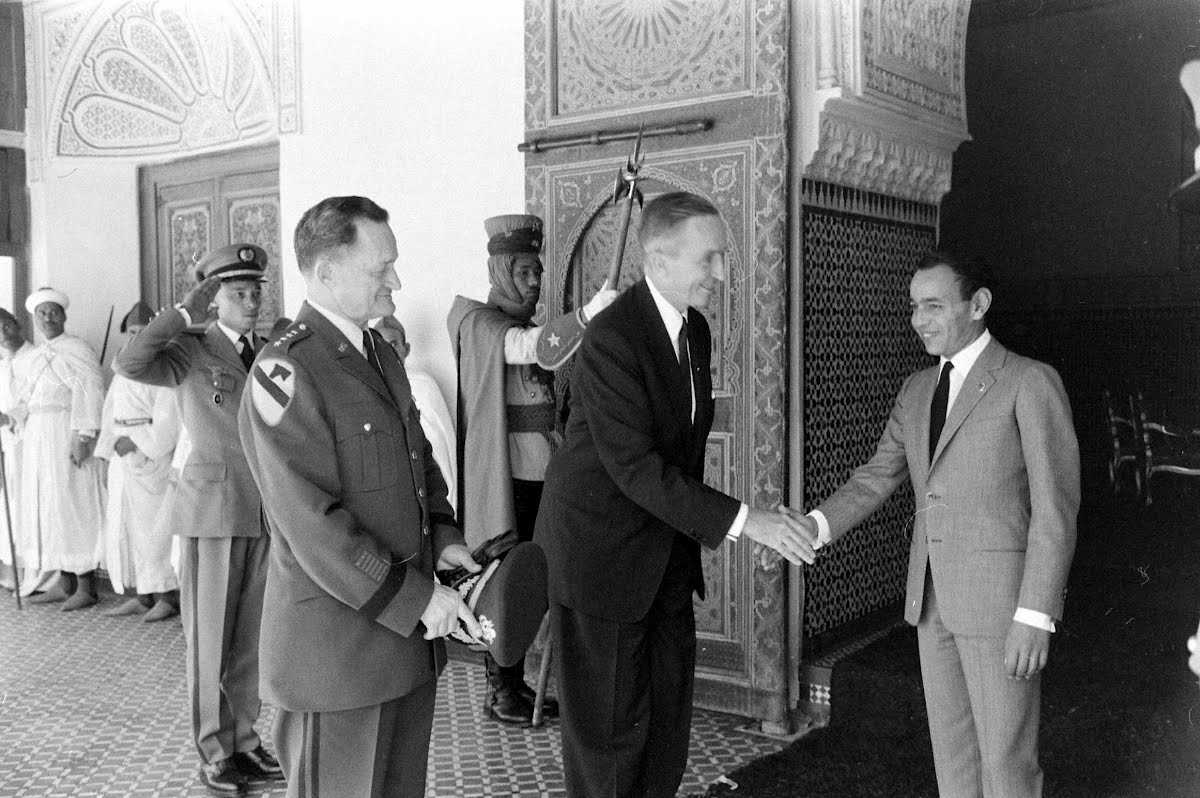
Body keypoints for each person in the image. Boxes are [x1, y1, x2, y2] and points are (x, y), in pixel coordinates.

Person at [533, 192, 817, 798]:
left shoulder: (696, 330)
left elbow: (676, 454)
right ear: (658, 260)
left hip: (663, 557)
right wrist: (749, 521)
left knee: (666, 734)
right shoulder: (613, 337)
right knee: (610, 747)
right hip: (601, 559)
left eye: (722, 257)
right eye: (708, 258)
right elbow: (636, 468)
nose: (721, 273)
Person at [794, 251, 1079, 798]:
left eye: (933, 306)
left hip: (1001, 608)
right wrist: (813, 527)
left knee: (1006, 762)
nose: (918, 320)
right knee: (953, 756)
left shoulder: (1029, 381)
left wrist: (1035, 614)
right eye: (913, 307)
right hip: (930, 603)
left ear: (978, 304)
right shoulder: (917, 389)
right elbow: (874, 478)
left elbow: (1055, 510)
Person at [239, 195, 483, 798]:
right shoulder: (285, 372)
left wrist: (445, 538)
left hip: (405, 644)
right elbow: (311, 522)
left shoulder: (378, 354)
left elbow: (418, 463)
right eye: (382, 268)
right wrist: (414, 598)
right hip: (339, 657)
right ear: (327, 273)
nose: (395, 281)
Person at [116, 246, 282, 797]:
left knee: (249, 640)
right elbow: (130, 363)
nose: (252, 302)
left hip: (263, 509)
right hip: (212, 511)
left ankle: (245, 740)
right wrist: (183, 313)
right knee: (209, 642)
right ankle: (213, 750)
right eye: (239, 293)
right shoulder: (189, 348)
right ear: (214, 299)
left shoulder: (270, 351)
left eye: (255, 292)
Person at [447, 213, 616, 724]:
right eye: (523, 272)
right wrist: (588, 314)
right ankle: (501, 691)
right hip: (506, 481)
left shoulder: (524, 325)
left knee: (536, 584)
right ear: (500, 271)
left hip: (543, 475)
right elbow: (530, 350)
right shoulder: (479, 323)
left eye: (537, 271)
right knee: (506, 585)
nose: (534, 281)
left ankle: (516, 686)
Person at [14, 287, 106, 610]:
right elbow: (26, 400)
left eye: (54, 312)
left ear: (64, 316)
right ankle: (64, 584)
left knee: (74, 504)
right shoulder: (32, 356)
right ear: (34, 319)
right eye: (42, 313)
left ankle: (86, 587)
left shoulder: (77, 349)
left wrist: (84, 436)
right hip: (38, 437)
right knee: (50, 506)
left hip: (67, 431)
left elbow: (91, 391)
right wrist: (12, 418)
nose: (48, 318)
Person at [94, 301, 181, 621]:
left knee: (154, 531)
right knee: (127, 527)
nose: (136, 338)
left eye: (143, 332)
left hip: (149, 458)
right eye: (132, 332)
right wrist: (106, 451)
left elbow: (169, 423)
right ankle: (142, 597)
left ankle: (167, 597)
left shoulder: (164, 369)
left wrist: (138, 443)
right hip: (122, 455)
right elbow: (110, 411)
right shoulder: (123, 367)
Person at [374, 314, 457, 510]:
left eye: (393, 344)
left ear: (406, 349)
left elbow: (440, 445)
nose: (389, 351)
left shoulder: (422, 384)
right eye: (382, 345)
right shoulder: (372, 388)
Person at [0, 307, 37, 594]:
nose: (3, 332)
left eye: (6, 325)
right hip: (8, 443)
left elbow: (37, 399)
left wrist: (11, 417)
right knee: (9, 505)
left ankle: (34, 576)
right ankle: (12, 573)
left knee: (28, 504)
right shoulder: (3, 364)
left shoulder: (36, 357)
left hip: (32, 440)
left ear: (18, 324)